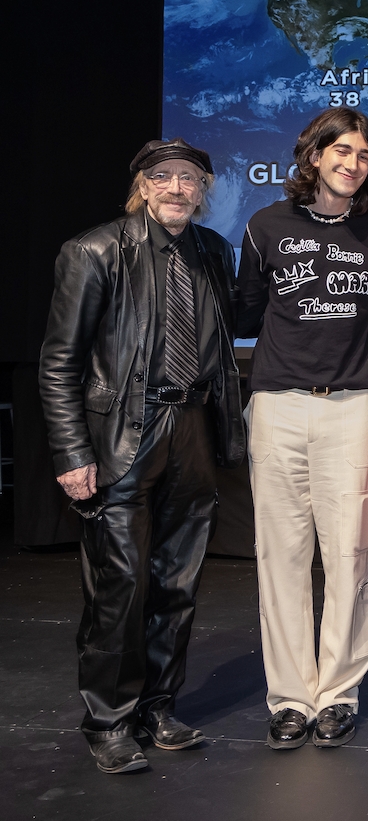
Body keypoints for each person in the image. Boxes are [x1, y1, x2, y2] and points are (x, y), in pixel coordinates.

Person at [39, 138, 244, 774]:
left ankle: (158, 706)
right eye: (164, 177)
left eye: (190, 178)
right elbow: (59, 362)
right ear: (142, 185)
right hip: (123, 435)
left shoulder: (212, 252)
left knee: (177, 583)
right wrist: (73, 452)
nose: (178, 188)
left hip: (194, 430)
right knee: (118, 585)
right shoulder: (94, 250)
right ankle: (107, 720)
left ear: (204, 189)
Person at [237, 108, 368, 751]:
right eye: (341, 151)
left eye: (362, 155)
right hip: (277, 404)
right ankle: (289, 698)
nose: (352, 163)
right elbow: (248, 310)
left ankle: (338, 693)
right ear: (313, 157)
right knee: (281, 557)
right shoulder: (265, 225)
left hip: (352, 408)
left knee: (348, 558)